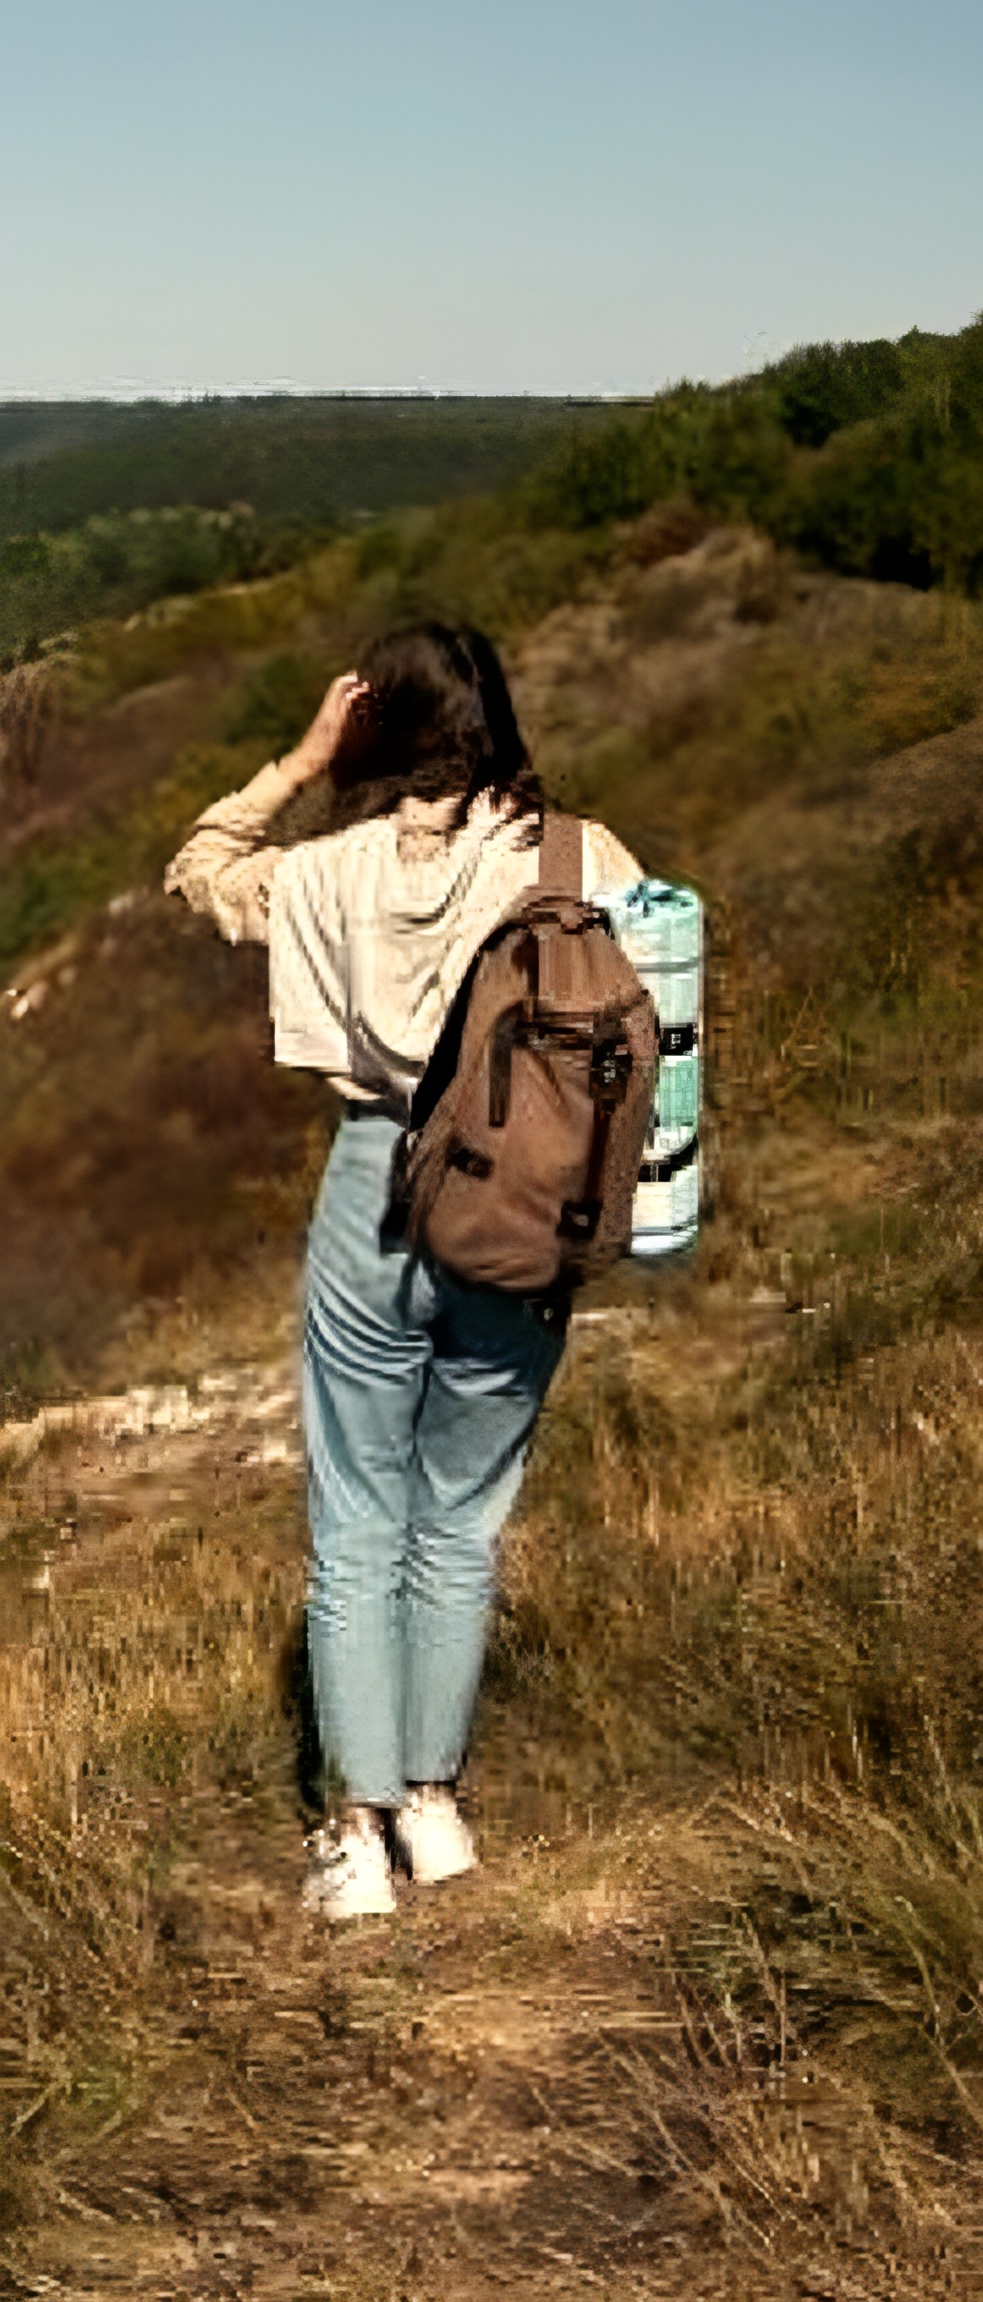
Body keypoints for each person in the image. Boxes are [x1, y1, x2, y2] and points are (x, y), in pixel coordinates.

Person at [165, 622, 643, 1921]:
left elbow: (197, 864)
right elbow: (656, 1027)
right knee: (463, 1517)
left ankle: (354, 1834)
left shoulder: (326, 874)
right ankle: (435, 1809)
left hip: (374, 1194)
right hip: (528, 1203)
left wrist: (299, 761)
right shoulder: (579, 857)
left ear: (374, 732)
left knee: (357, 1518)